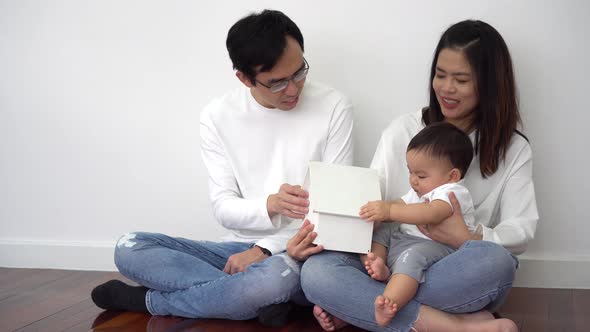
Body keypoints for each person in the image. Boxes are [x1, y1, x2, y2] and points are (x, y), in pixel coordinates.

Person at [90, 9, 353, 325]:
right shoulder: (217, 115)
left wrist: (264, 250)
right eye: (277, 82)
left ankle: (149, 300)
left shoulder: (334, 105)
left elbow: (332, 210)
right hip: (231, 252)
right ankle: (251, 299)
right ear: (244, 78)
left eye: (299, 72)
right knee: (129, 247)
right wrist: (268, 206)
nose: (294, 89)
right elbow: (223, 207)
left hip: (295, 253)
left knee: (275, 279)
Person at [290, 19, 539, 331]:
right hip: (391, 255)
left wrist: (468, 238)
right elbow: (370, 204)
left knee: (497, 265)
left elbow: (520, 230)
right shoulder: (403, 130)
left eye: (461, 79)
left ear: (489, 85)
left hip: (452, 264)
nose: (446, 88)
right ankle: (455, 325)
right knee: (316, 272)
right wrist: (326, 229)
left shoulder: (513, 149)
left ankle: (360, 307)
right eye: (440, 75)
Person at [358, 122, 476, 327]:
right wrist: (380, 210)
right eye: (410, 172)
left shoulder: (453, 192)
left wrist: (390, 211)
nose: (413, 180)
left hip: (436, 246)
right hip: (407, 239)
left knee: (412, 258)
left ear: (452, 176)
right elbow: (401, 204)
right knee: (381, 231)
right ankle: (380, 265)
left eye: (421, 175)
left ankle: (390, 302)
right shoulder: (420, 190)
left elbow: (431, 213)